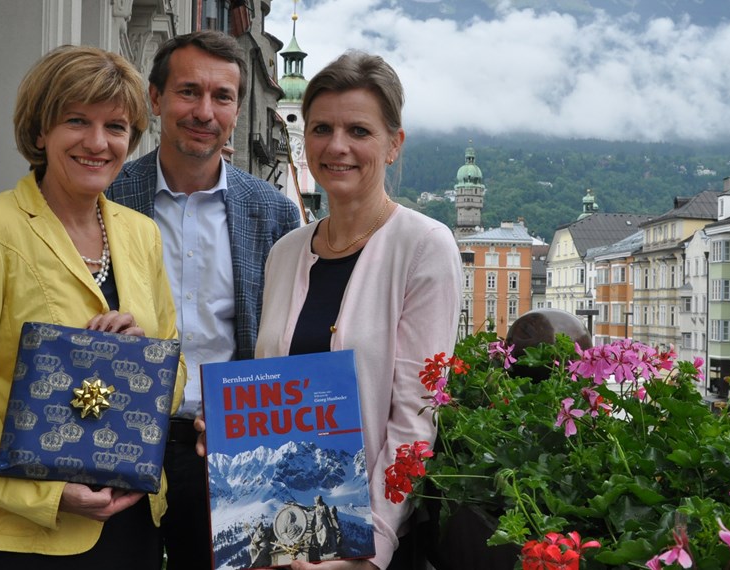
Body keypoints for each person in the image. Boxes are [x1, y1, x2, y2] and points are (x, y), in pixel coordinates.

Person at [0, 45, 183, 570]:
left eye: (116, 126)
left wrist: (139, 358)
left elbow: (172, 380)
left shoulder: (141, 235)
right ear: (40, 132)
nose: (97, 142)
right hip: (21, 535)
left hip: (132, 520)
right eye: (76, 121)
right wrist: (49, 493)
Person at [254, 50, 462, 570]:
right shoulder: (285, 253)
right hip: (275, 531)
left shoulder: (424, 246)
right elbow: (269, 390)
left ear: (394, 145)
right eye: (321, 128)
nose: (337, 146)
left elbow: (417, 419)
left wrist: (367, 550)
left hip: (360, 547)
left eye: (359, 131)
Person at [105, 30, 302, 570]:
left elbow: (282, 335)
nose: (205, 111)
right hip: (121, 430)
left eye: (222, 97)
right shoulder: (108, 195)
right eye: (189, 92)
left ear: (238, 108)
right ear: (155, 98)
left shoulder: (273, 212)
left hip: (224, 437)